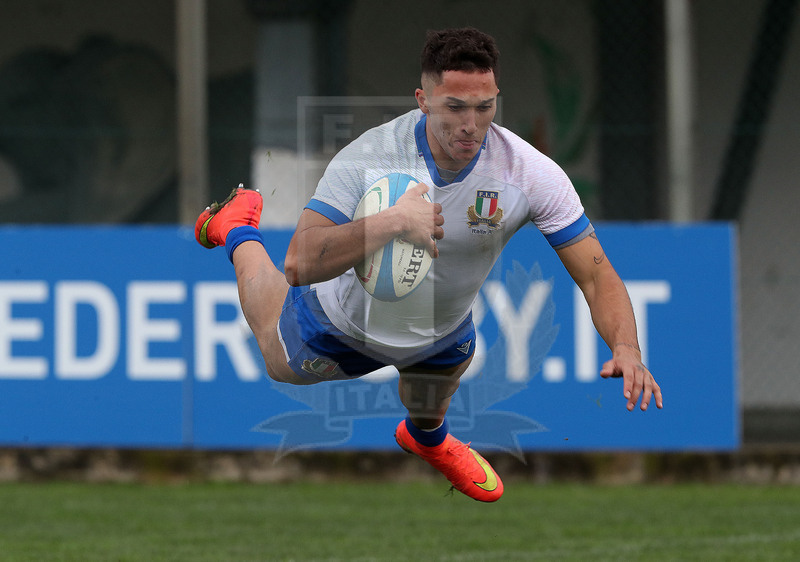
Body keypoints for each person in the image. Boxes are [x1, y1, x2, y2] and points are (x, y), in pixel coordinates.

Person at [195, 27, 663, 502]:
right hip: (342, 325)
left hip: (442, 332)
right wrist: (392, 222)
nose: (471, 124)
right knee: (277, 356)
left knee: (435, 386)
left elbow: (597, 273)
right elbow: (298, 262)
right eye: (455, 107)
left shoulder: (530, 173)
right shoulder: (370, 155)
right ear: (423, 99)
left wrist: (626, 347)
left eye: (485, 107)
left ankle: (427, 438)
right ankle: (237, 229)